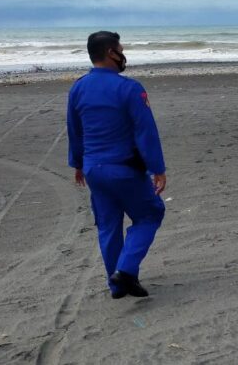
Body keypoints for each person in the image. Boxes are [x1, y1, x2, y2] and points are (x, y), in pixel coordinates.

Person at [67, 31, 167, 298]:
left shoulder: (78, 87)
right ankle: (125, 271)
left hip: (93, 169)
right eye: (120, 49)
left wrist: (77, 163)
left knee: (109, 225)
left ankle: (116, 285)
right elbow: (146, 132)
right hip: (124, 168)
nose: (123, 54)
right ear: (111, 52)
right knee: (150, 214)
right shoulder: (130, 88)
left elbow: (74, 130)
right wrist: (158, 168)